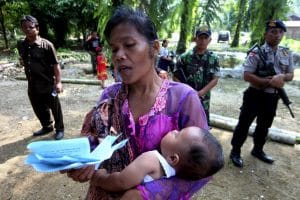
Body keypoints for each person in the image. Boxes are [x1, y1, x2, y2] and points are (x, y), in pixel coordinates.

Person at [63, 6, 211, 199]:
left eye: (129, 45)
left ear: (155, 48)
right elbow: (94, 138)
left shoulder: (183, 99)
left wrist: (146, 194)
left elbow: (204, 168)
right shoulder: (110, 96)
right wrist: (81, 159)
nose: (118, 55)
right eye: (114, 49)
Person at [229, 20, 294, 168]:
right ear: (266, 35)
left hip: (272, 97)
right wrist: (268, 82)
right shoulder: (256, 52)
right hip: (255, 95)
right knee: (244, 124)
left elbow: (290, 74)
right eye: (273, 32)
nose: (277, 35)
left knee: (264, 126)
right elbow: (247, 75)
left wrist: (282, 77)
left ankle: (258, 150)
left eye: (280, 32)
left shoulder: (286, 52)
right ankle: (235, 151)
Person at [90, 126, 224, 196]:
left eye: (177, 134)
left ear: (173, 158)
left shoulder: (151, 160)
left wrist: (100, 178)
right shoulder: (171, 174)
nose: (174, 130)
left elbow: (121, 181)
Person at [17, 15, 64, 140]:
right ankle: (47, 126)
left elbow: (55, 65)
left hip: (47, 83)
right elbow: (23, 59)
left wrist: (58, 82)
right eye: (24, 28)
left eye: (30, 27)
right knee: (38, 107)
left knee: (55, 107)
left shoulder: (47, 45)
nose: (27, 30)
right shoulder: (21, 44)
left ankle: (59, 129)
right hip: (32, 84)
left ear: (37, 28)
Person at [173, 25, 220, 126]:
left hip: (204, 100)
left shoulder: (214, 58)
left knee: (203, 126)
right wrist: (188, 92)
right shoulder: (185, 57)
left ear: (210, 40)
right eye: (200, 37)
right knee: (185, 124)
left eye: (205, 38)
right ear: (195, 39)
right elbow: (176, 77)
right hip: (186, 98)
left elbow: (215, 79)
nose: (203, 40)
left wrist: (201, 92)